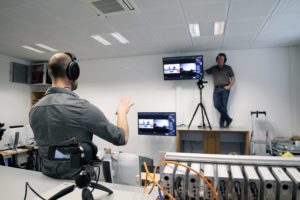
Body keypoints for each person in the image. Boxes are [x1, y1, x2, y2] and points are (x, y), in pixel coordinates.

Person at [29, 52, 134, 179]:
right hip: (78, 184)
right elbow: (121, 138)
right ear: (73, 72)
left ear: (51, 74)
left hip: (46, 180)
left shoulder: (34, 109)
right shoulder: (82, 108)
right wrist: (122, 113)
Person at [205, 53, 235, 128]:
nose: (220, 60)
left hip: (225, 88)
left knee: (224, 106)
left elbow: (233, 78)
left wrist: (229, 86)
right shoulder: (214, 68)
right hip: (216, 88)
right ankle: (228, 119)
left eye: (222, 59)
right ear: (216, 59)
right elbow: (205, 72)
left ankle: (221, 123)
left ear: (224, 60)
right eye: (219, 58)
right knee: (216, 105)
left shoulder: (228, 67)